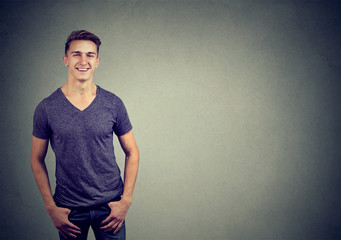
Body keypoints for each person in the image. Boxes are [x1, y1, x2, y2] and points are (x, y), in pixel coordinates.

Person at [30, 30, 139, 240]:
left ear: (97, 61)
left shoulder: (113, 103)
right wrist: (50, 207)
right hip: (69, 211)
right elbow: (36, 159)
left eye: (89, 55)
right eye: (76, 54)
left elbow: (132, 152)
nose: (83, 60)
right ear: (65, 60)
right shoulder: (46, 108)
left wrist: (125, 201)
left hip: (110, 208)